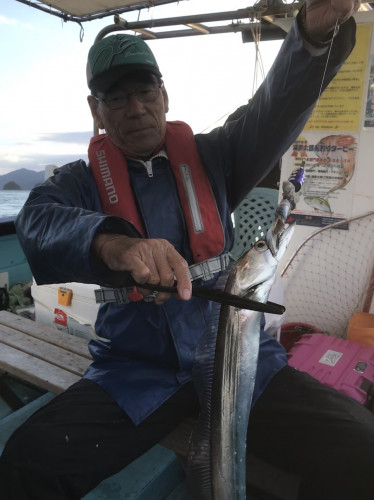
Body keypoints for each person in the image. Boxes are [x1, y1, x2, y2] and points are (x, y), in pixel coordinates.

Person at [1, 0, 373, 498]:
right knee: (29, 461)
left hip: (237, 357)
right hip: (137, 370)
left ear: (165, 94)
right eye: (116, 98)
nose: (135, 108)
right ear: (96, 110)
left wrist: (310, 36)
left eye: (144, 90)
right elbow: (36, 221)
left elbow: (274, 109)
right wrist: (112, 244)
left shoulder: (218, 154)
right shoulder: (78, 181)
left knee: (361, 448)